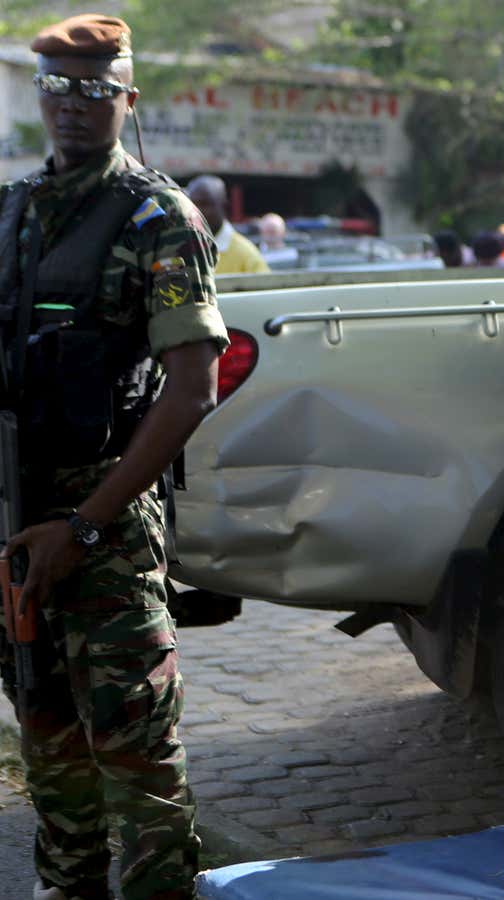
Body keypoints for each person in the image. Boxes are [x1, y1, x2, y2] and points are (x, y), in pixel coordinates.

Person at [0, 14, 228, 899]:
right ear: (40, 95)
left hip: (105, 532)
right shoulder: (13, 212)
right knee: (48, 747)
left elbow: (190, 392)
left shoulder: (159, 218)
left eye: (97, 90)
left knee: (138, 770)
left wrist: (83, 530)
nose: (75, 106)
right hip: (21, 527)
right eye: (59, 87)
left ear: (127, 99)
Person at [184, 175, 268, 275]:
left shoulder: (247, 255)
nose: (196, 212)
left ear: (224, 206)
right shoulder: (180, 249)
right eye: (192, 204)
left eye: (205, 204)